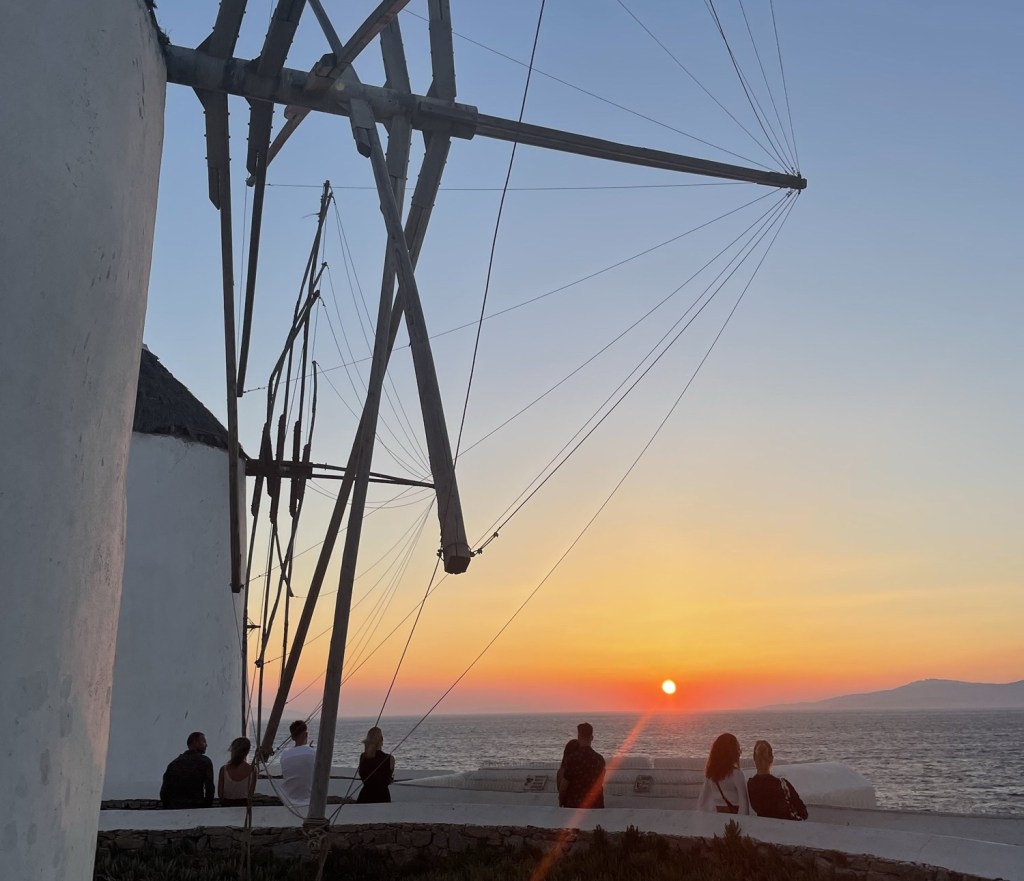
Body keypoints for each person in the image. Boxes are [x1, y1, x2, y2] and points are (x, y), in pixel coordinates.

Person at [747, 739, 808, 820]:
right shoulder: (782, 785)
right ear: (771, 759)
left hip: (764, 825)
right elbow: (804, 813)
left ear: (754, 758)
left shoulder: (750, 785)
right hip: (788, 825)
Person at [697, 732, 751, 815]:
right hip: (733, 819)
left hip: (718, 818)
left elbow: (703, 801)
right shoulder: (736, 774)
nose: (739, 752)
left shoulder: (711, 775)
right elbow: (744, 804)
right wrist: (742, 821)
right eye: (738, 749)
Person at [160, 731, 215, 809]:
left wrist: (169, 807)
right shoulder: (205, 762)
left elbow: (164, 792)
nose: (206, 745)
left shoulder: (174, 764)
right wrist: (206, 807)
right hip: (197, 807)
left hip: (175, 807)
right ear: (195, 742)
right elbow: (210, 788)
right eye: (204, 742)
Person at [560, 722, 605, 809]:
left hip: (574, 805)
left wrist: (561, 801)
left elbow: (563, 787)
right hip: (596, 805)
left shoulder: (572, 759)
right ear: (592, 738)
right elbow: (600, 782)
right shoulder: (599, 759)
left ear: (578, 737)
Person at [279, 720, 316, 809]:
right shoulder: (314, 753)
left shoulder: (284, 756)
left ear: (292, 737)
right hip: (310, 800)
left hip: (288, 801)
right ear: (306, 734)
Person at [356, 726, 395, 804]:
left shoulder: (363, 757)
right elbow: (388, 778)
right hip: (383, 797)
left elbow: (362, 775)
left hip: (364, 797)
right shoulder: (390, 758)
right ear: (382, 739)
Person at [217, 736, 255, 807]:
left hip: (226, 805)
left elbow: (220, 795)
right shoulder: (253, 770)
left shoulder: (224, 770)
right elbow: (251, 794)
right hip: (244, 806)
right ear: (247, 752)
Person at [555, 738, 579, 807]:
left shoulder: (561, 772)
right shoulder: (581, 769)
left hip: (567, 805)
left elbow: (561, 791)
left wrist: (560, 803)